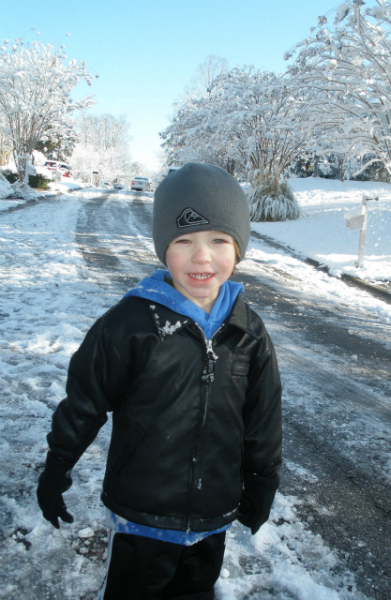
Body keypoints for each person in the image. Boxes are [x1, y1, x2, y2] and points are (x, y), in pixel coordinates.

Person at [37, 162, 282, 600]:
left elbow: (262, 417)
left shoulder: (247, 332)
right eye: (183, 240)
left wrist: (263, 480)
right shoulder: (130, 324)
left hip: (211, 518)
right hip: (141, 519)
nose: (201, 256)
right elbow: (84, 402)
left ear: (238, 248)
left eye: (218, 240)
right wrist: (58, 465)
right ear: (163, 248)